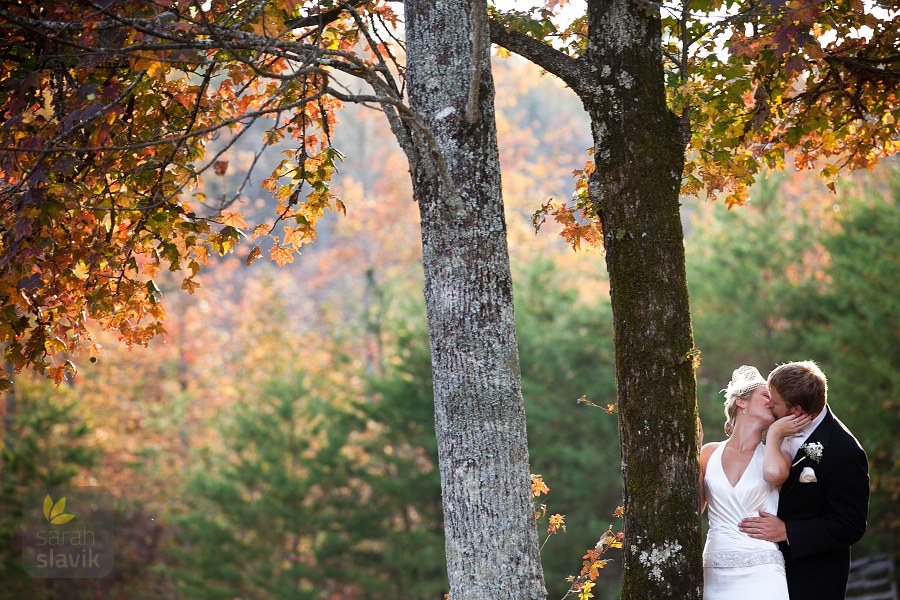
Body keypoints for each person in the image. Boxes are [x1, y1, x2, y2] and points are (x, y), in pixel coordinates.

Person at [738, 360, 869, 600]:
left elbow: (850, 525)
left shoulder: (845, 451)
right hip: (763, 570)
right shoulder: (773, 427)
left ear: (796, 411)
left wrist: (788, 531)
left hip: (812, 577)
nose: (769, 404)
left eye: (774, 402)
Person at [700, 365, 812, 600]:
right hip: (715, 570)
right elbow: (691, 511)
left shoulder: (780, 454)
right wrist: (691, 453)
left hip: (763, 570)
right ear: (741, 402)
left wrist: (774, 434)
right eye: (765, 396)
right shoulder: (709, 453)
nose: (772, 403)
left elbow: (774, 475)